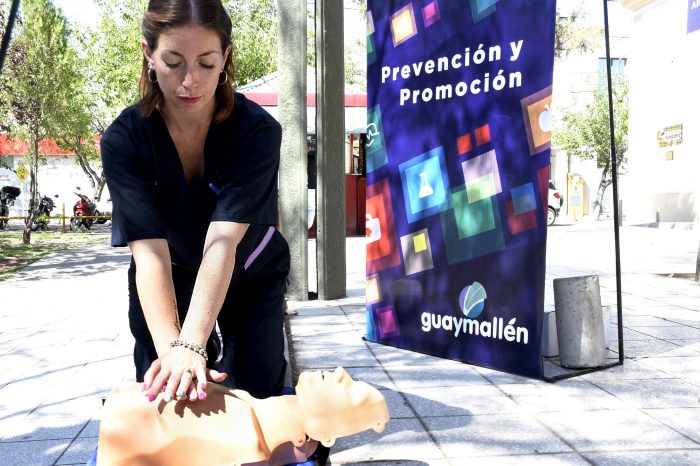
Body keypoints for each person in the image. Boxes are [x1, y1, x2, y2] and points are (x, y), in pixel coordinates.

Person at [101, 0, 289, 404]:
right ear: (148, 55)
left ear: (225, 57)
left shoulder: (258, 132)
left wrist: (194, 344)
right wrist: (175, 350)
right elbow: (149, 254)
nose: (190, 82)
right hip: (168, 269)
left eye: (205, 64)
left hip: (248, 267)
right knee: (166, 392)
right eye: (173, 63)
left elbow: (223, 242)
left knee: (262, 394)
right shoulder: (124, 140)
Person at [96, 367, 390, 466]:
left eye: (351, 391)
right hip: (130, 416)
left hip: (126, 432)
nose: (340, 374)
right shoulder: (246, 407)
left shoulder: (251, 438)